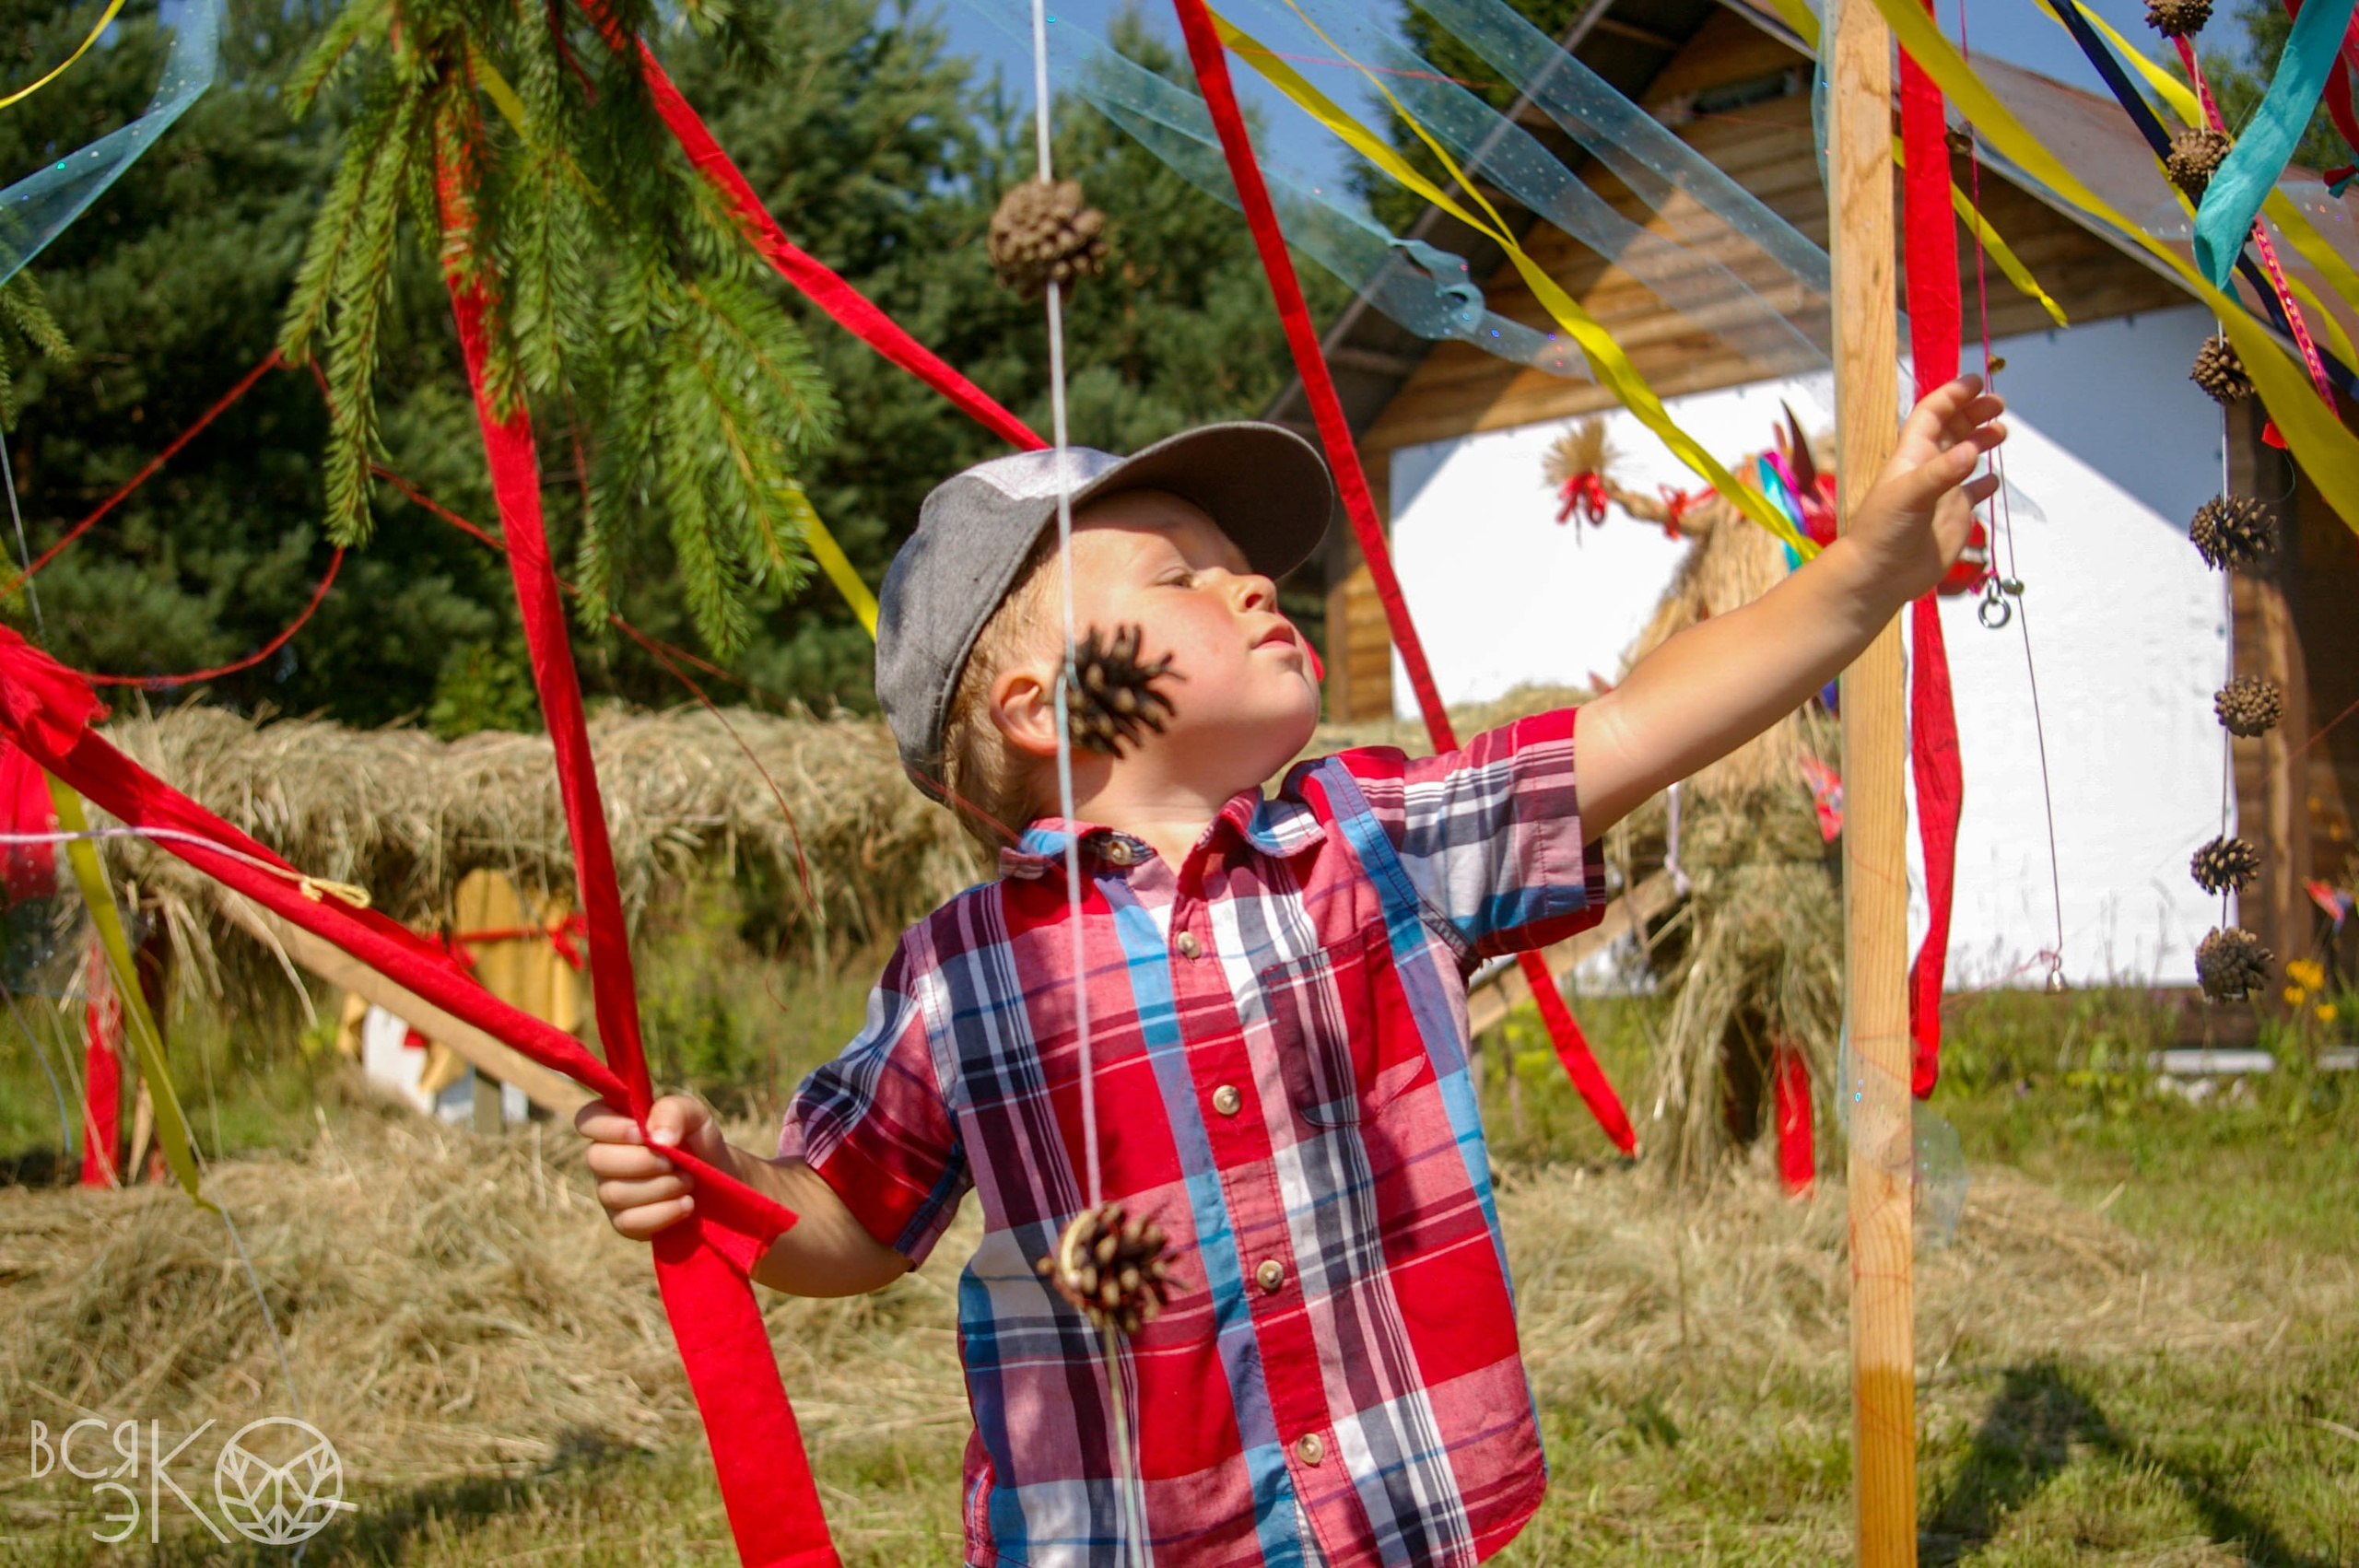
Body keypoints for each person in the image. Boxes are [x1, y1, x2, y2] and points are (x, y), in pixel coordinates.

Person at [576, 379, 2006, 1568]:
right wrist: (725, 1185)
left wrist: (1862, 574)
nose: (1254, 580)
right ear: (1038, 706)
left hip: (1392, 1513)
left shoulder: (1371, 841)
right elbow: (856, 1220)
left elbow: (1634, 728)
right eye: (1180, 576)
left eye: (1238, 562)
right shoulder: (960, 973)